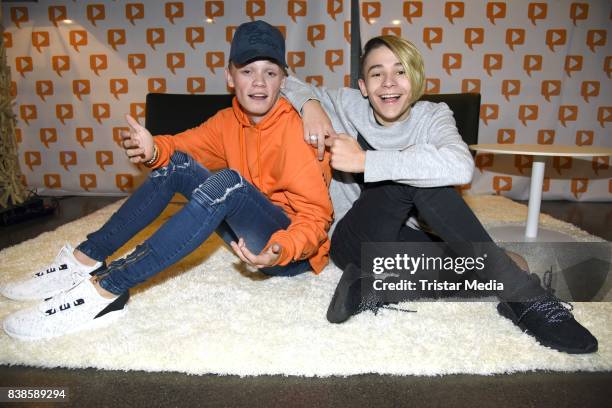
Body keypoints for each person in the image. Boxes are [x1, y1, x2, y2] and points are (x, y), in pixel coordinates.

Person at [1, 20, 333, 341]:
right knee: (176, 165)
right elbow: (181, 146)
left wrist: (281, 249)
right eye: (247, 71)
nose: (259, 82)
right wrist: (153, 147)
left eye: (270, 73)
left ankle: (105, 289)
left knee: (228, 183)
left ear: (283, 81)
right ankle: (84, 260)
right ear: (230, 77)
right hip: (250, 237)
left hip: (290, 253)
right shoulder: (227, 121)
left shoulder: (299, 130)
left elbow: (317, 218)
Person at [280, 35, 597, 354]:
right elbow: (282, 76)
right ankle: (524, 295)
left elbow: (461, 167)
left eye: (400, 72)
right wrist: (310, 105)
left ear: (415, 78)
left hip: (397, 243)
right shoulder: (342, 104)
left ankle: (375, 287)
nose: (388, 83)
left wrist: (366, 161)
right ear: (364, 86)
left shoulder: (433, 115)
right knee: (493, 257)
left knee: (498, 259)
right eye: (377, 74)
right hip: (350, 238)